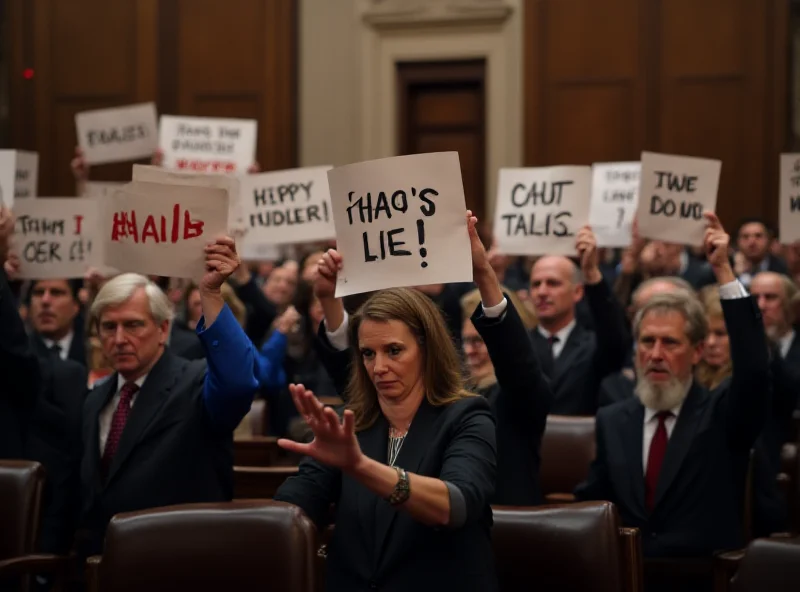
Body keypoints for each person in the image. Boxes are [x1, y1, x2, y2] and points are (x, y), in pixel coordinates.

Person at [273, 239, 499, 590]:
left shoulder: (467, 416)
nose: (378, 367)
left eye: (394, 351)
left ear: (427, 350)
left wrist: (360, 466)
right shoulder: (351, 424)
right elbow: (295, 506)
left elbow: (455, 504)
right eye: (367, 353)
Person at [575, 212, 771, 592]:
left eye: (671, 342)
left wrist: (724, 272)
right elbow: (594, 504)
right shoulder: (613, 420)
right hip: (626, 579)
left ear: (698, 351)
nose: (656, 354)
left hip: (701, 580)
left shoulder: (721, 414)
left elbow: (754, 372)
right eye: (647, 342)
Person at [310, 211, 552, 505]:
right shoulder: (433, 398)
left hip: (502, 535)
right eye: (468, 340)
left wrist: (484, 274)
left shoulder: (511, 400)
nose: (473, 349)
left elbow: (520, 373)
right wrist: (329, 302)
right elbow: (359, 380)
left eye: (482, 340)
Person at [77, 236, 262, 556]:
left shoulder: (193, 383)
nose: (119, 339)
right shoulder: (96, 399)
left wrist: (210, 293)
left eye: (133, 325)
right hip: (109, 567)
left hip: (181, 561)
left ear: (163, 330)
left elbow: (238, 384)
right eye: (109, 327)